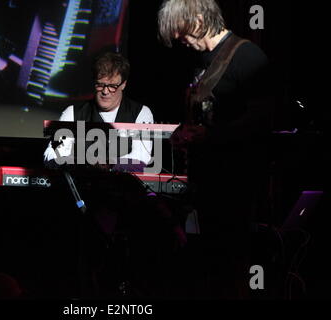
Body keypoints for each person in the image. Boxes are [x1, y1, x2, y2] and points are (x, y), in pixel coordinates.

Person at [158, 0, 274, 298]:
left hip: (235, 188)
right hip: (206, 186)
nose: (179, 40)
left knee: (230, 270)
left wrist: (210, 136)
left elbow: (263, 119)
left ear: (198, 19)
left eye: (181, 31)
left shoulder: (247, 55)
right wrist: (185, 132)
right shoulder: (202, 61)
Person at [43, 52, 154, 172]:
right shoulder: (73, 113)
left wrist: (110, 165)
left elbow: (141, 157)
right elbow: (53, 154)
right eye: (100, 85)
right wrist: (81, 164)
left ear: (123, 85)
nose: (105, 92)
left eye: (112, 86)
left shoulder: (141, 113)